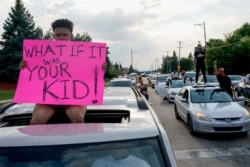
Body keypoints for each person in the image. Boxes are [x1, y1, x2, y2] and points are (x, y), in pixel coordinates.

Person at [19, 18, 107, 125]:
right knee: (36, 122)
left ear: (71, 36)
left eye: (65, 35)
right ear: (54, 36)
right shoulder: (42, 53)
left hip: (74, 97)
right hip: (48, 97)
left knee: (78, 119)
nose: (61, 38)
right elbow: (34, 73)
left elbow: (90, 76)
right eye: (58, 35)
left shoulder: (84, 54)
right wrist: (25, 66)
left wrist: (100, 68)